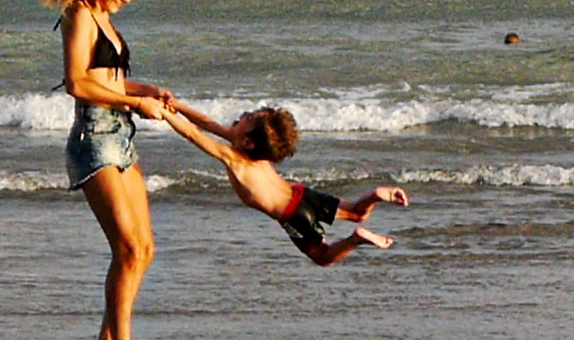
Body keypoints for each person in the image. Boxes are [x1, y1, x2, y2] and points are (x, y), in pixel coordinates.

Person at [10, 0, 173, 340]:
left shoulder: (103, 16)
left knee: (145, 249)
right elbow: (78, 83)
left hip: (122, 138)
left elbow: (112, 83)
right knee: (126, 249)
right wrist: (137, 104)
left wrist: (147, 91)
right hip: (94, 140)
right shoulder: (79, 16)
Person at [161, 102, 408, 266]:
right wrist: (175, 105)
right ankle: (376, 196)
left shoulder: (234, 158)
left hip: (293, 215)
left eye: (248, 119)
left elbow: (194, 133)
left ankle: (355, 240)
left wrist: (163, 114)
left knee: (323, 257)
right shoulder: (250, 150)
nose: (243, 116)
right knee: (356, 212)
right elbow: (204, 122)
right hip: (301, 194)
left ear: (248, 142)